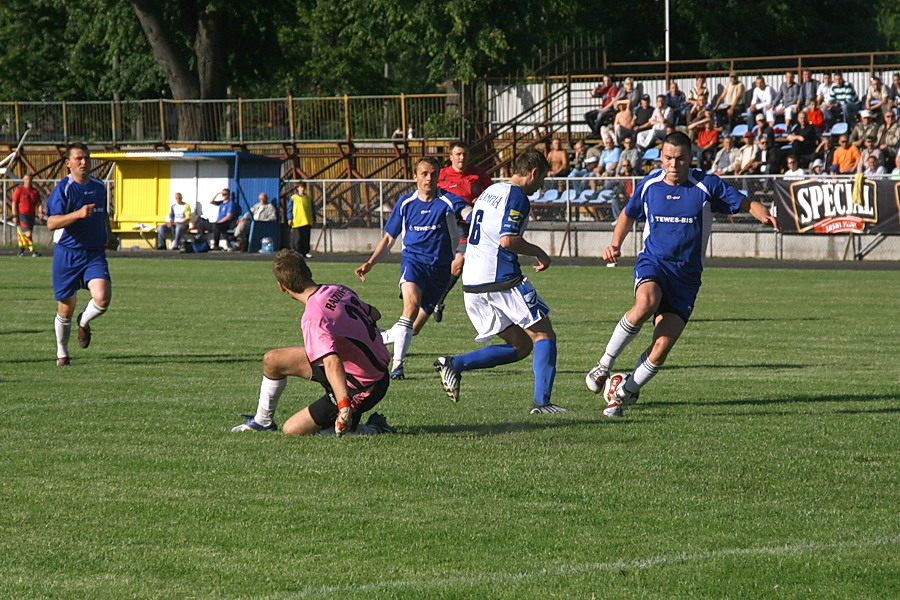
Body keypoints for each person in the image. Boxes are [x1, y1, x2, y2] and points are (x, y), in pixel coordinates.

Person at [584, 132, 779, 418]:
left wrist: (764, 215)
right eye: (668, 158)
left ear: (690, 159)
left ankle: (623, 393)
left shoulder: (706, 184)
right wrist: (615, 244)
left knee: (662, 346)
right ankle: (603, 365)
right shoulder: (649, 184)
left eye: (680, 159)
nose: (673, 165)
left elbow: (746, 203)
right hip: (654, 263)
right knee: (645, 303)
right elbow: (628, 213)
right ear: (660, 158)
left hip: (686, 277)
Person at [433, 150, 569, 414]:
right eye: (541, 179)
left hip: (472, 283)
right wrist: (540, 252)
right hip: (500, 279)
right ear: (533, 173)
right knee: (544, 334)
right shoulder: (516, 196)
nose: (540, 186)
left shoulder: (491, 190)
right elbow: (508, 240)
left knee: (521, 346)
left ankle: (454, 364)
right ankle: (542, 404)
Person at [229, 250, 395, 436]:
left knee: (293, 430)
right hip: (367, 370)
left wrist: (344, 406)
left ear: (282, 287)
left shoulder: (313, 316)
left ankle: (373, 428)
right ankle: (263, 422)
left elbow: (332, 363)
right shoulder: (338, 289)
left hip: (363, 387)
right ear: (309, 272)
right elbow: (375, 314)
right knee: (273, 360)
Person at [355, 156, 467, 380]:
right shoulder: (405, 203)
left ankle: (373, 338)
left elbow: (469, 213)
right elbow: (389, 238)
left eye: (433, 174)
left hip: (440, 270)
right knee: (411, 307)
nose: (429, 178)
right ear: (415, 176)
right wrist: (370, 262)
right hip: (413, 262)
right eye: (424, 173)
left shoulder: (448, 201)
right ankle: (397, 366)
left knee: (412, 327)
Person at [46, 142, 112, 367]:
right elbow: (51, 223)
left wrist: (109, 234)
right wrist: (78, 214)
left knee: (102, 298)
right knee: (65, 308)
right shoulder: (63, 189)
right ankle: (62, 352)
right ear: (68, 164)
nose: (84, 163)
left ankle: (84, 322)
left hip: (94, 253)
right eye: (78, 159)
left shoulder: (99, 187)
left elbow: (103, 215)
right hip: (68, 253)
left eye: (86, 158)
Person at [433, 141, 493, 323]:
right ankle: (420, 288)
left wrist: (481, 199)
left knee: (461, 261)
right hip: (443, 222)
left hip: (467, 224)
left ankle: (438, 299)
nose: (461, 158)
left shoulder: (478, 174)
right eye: (458, 154)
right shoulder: (441, 175)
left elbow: (492, 194)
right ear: (450, 157)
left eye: (464, 154)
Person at [11, 173, 43, 257]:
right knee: (28, 234)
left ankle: (21, 251)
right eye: (26, 179)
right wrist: (15, 216)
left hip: (31, 215)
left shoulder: (34, 191)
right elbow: (14, 203)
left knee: (27, 234)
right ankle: (33, 251)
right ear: (24, 180)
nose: (28, 181)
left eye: (29, 179)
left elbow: (39, 203)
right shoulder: (19, 190)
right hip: (22, 215)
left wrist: (40, 212)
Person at [287, 182, 315, 258]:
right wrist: (290, 218)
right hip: (297, 221)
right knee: (297, 239)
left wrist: (313, 218)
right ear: (298, 188)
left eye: (303, 187)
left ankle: (305, 252)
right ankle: (296, 252)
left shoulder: (308, 198)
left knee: (306, 238)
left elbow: (312, 209)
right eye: (300, 187)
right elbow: (290, 209)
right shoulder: (294, 198)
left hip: (306, 220)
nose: (302, 189)